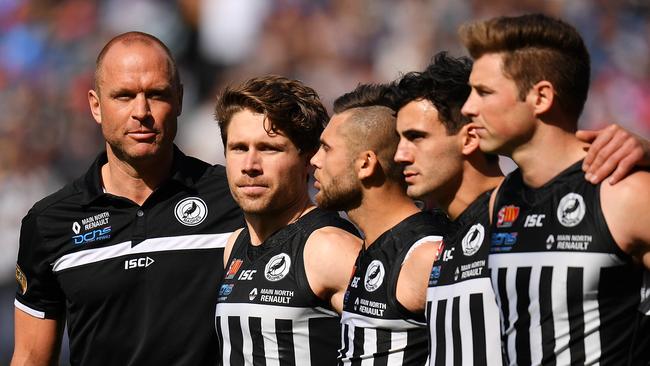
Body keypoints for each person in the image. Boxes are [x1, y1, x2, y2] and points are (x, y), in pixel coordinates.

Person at [11, 32, 244, 366]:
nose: (141, 111)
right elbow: (31, 357)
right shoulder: (49, 223)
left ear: (179, 99)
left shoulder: (232, 197)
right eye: (123, 96)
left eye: (157, 94)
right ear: (95, 105)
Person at [460, 13, 650, 364]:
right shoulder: (501, 201)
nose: (468, 108)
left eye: (484, 92)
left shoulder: (621, 192)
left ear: (541, 97)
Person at [213, 75, 362, 366]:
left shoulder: (329, 247)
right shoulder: (235, 244)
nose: (250, 166)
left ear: (308, 160)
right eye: (239, 148)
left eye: (269, 149)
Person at [310, 84, 449, 364]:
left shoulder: (422, 255)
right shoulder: (370, 247)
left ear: (366, 164)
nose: (315, 160)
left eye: (326, 148)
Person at [392, 52, 505, 365]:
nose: (400, 155)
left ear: (469, 138)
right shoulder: (446, 237)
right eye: (400, 139)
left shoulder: (521, 215)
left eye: (416, 137)